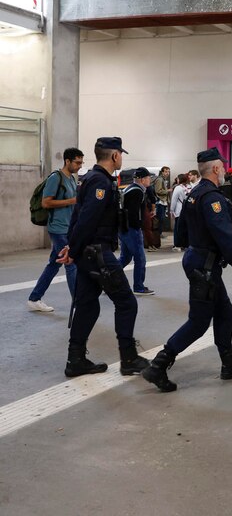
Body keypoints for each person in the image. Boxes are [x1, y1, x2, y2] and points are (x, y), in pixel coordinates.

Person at [142, 148, 232, 392]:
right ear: (215, 169)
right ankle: (159, 364)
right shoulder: (212, 198)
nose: (225, 171)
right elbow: (225, 236)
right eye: (223, 167)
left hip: (198, 260)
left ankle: (229, 363)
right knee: (199, 322)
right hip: (204, 266)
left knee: (225, 312)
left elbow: (181, 229)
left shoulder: (194, 193)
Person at [56, 137, 149, 378]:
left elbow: (77, 215)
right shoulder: (99, 181)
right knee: (127, 303)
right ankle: (128, 358)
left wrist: (71, 248)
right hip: (97, 252)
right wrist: (73, 251)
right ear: (115, 156)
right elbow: (87, 219)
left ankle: (75, 360)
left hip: (87, 251)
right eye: (121, 154)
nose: (122, 158)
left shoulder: (91, 178)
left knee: (88, 305)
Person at [27, 147, 83, 312]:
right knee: (70, 263)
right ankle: (78, 303)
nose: (80, 165)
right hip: (58, 229)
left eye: (81, 162)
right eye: (77, 162)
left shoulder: (72, 179)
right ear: (67, 161)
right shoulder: (55, 178)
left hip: (68, 228)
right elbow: (46, 203)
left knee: (54, 264)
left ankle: (34, 298)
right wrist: (71, 201)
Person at [119, 167, 154, 296]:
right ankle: (138, 286)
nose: (150, 180)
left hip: (123, 228)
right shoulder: (137, 192)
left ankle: (108, 280)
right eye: (148, 178)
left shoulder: (128, 188)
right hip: (131, 229)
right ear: (142, 179)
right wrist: (138, 226)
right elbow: (134, 213)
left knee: (125, 257)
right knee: (140, 259)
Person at [170, 173, 190, 252]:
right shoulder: (189, 187)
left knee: (177, 229)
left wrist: (172, 210)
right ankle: (187, 244)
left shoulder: (178, 188)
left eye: (178, 178)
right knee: (187, 228)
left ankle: (177, 244)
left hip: (179, 210)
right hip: (188, 210)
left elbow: (174, 200)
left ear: (180, 179)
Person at [153, 166, 171, 236]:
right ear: (162, 172)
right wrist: (168, 190)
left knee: (161, 219)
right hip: (160, 202)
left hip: (162, 202)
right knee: (160, 219)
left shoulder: (162, 179)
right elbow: (158, 191)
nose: (167, 173)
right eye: (166, 171)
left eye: (168, 171)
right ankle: (158, 234)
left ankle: (159, 233)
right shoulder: (160, 179)